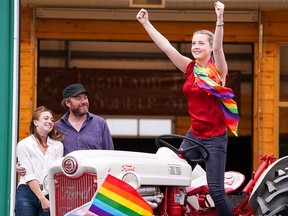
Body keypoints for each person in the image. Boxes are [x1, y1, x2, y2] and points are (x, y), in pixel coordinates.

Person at [136, 2, 239, 215]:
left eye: (201, 43)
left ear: (210, 48)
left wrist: (220, 18)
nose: (195, 46)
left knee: (217, 191)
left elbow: (220, 48)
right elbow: (167, 47)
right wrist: (146, 23)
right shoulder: (189, 68)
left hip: (215, 139)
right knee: (174, 182)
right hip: (194, 137)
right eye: (193, 43)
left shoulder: (217, 71)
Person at [16, 83, 114, 174]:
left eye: (85, 98)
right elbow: (40, 150)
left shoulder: (100, 124)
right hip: (66, 184)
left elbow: (110, 155)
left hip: (95, 182)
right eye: (78, 98)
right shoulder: (56, 127)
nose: (84, 101)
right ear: (68, 103)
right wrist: (21, 164)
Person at [15, 106, 64, 215]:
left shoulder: (58, 146)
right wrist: (42, 199)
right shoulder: (24, 145)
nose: (50, 122)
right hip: (27, 192)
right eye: (46, 118)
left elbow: (56, 173)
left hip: (49, 193)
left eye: (52, 120)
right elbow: (28, 174)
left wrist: (48, 198)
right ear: (35, 122)